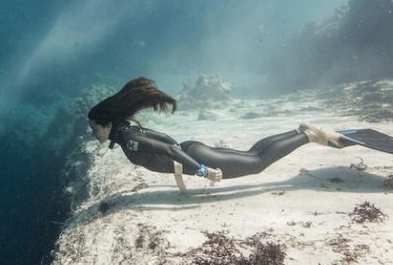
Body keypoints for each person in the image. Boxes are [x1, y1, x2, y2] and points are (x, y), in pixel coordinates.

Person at [88, 77, 347, 183]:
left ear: (107, 124)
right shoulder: (129, 132)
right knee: (253, 154)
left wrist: (202, 170)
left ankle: (308, 135)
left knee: (257, 162)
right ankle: (301, 131)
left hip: (199, 158)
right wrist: (186, 154)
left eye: (94, 128)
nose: (93, 133)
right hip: (193, 150)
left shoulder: (129, 138)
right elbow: (168, 141)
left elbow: (166, 147)